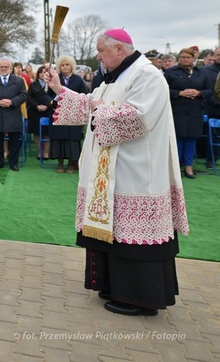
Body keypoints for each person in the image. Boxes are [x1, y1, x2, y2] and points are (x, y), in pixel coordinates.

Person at [46, 28, 189, 317]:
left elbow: (138, 117)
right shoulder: (117, 76)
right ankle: (115, 286)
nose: (98, 56)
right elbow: (91, 105)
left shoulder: (147, 75)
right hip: (111, 170)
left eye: (101, 51)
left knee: (133, 232)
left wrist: (100, 110)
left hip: (137, 171)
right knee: (115, 230)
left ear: (119, 50)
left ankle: (141, 298)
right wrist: (60, 90)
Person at [163, 48, 213, 179]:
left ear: (194, 58)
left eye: (188, 57)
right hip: (177, 110)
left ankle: (188, 166)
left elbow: (209, 90)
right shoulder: (170, 72)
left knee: (191, 138)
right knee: (178, 138)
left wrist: (199, 93)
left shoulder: (201, 73)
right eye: (182, 57)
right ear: (179, 58)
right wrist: (178, 93)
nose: (185, 59)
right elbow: (162, 90)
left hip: (195, 110)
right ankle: (176, 166)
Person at [0, 57, 27, 171]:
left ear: (10, 68)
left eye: (6, 67)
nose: (3, 69)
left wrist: (11, 102)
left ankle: (13, 163)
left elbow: (23, 95)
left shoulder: (18, 81)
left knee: (14, 141)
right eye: (1, 67)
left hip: (13, 114)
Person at [48, 55, 87, 173]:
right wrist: (50, 101)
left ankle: (71, 163)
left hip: (74, 114)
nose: (65, 67)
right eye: (62, 65)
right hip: (58, 112)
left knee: (72, 139)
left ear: (72, 66)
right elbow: (47, 93)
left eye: (67, 65)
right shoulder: (55, 78)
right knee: (58, 138)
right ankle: (60, 163)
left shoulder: (78, 80)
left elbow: (83, 95)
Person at [26, 64, 53, 160]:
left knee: (47, 133)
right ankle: (39, 151)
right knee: (36, 132)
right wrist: (36, 106)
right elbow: (29, 97)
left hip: (48, 111)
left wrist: (47, 105)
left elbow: (54, 97)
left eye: (45, 72)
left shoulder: (51, 84)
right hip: (35, 111)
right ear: (38, 74)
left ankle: (46, 152)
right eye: (41, 72)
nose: (43, 74)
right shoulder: (33, 84)